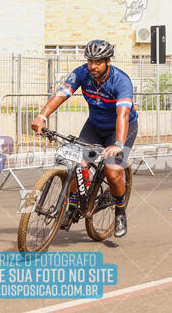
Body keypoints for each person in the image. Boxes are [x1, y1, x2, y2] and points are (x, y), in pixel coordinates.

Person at [31, 40, 138, 238]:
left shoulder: (121, 81)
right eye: (90, 61)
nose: (93, 66)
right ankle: (72, 207)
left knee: (113, 173)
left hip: (121, 128)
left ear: (107, 62)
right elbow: (61, 94)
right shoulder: (82, 73)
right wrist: (42, 116)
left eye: (98, 62)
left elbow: (122, 114)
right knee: (77, 164)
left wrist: (118, 144)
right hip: (95, 127)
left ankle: (120, 212)